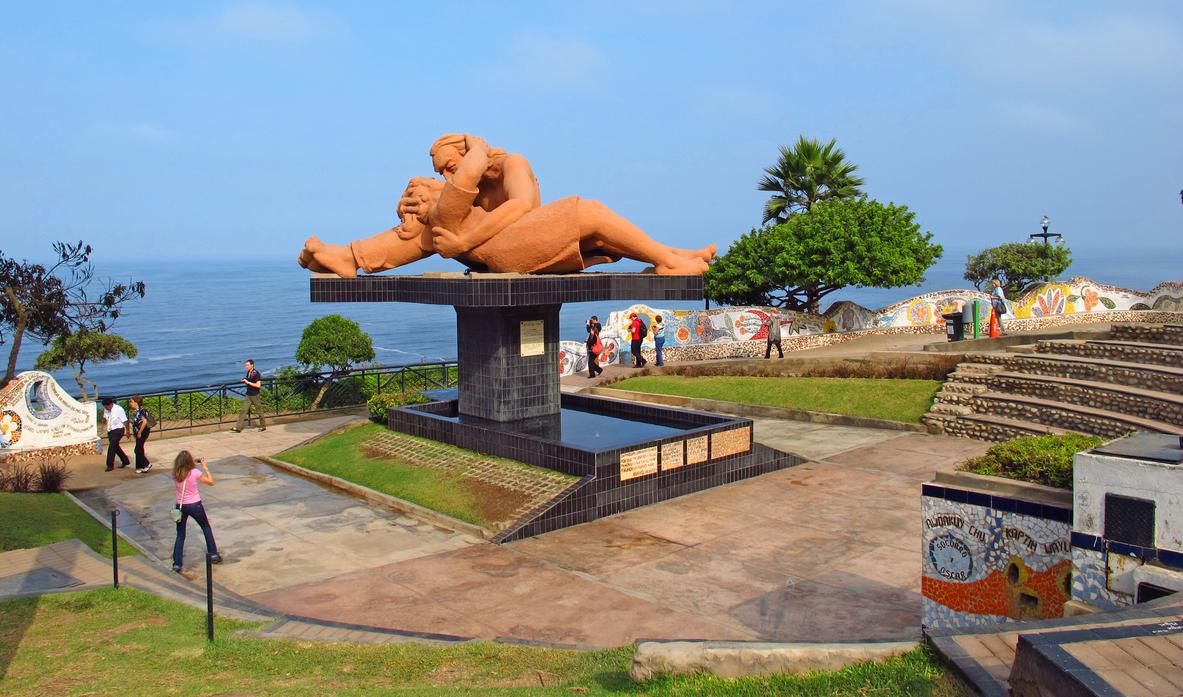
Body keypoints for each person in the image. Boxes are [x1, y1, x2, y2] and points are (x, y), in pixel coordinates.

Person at [298, 134, 716, 277]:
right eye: (441, 171)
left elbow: (519, 210)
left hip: (521, 242)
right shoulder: (465, 188)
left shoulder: (512, 165)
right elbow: (440, 214)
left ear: (468, 155)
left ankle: (673, 256)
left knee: (590, 217)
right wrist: (414, 200)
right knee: (589, 213)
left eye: (450, 166)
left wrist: (462, 238)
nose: (448, 175)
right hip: (507, 251)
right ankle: (350, 256)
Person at [171, 450, 222, 572]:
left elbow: (183, 466)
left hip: (181, 506)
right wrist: (205, 468)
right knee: (205, 527)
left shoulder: (175, 473)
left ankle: (177, 564)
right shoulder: (194, 472)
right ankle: (213, 554)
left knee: (180, 534)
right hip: (195, 505)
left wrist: (189, 461)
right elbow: (210, 482)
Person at [232, 360, 265, 432]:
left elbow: (258, 385)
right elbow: (249, 381)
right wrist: (245, 380)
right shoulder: (248, 372)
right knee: (243, 410)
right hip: (248, 394)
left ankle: (263, 426)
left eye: (247, 365)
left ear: (252, 365)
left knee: (259, 411)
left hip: (255, 395)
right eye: (245, 365)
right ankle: (238, 428)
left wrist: (248, 382)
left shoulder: (256, 373)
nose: (246, 366)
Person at [100, 397, 130, 471]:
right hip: (110, 430)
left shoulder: (119, 409)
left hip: (119, 430)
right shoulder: (106, 409)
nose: (106, 408)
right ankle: (125, 461)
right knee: (115, 447)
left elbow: (125, 421)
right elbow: (105, 418)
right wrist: (103, 426)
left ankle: (110, 464)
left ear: (110, 404)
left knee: (112, 446)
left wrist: (128, 431)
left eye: (107, 406)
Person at [128, 395, 152, 474]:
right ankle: (139, 467)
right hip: (138, 432)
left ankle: (146, 464)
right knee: (139, 449)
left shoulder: (141, 411)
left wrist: (139, 432)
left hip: (142, 432)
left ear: (136, 402)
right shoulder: (136, 411)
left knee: (137, 450)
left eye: (131, 402)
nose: (130, 403)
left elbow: (144, 421)